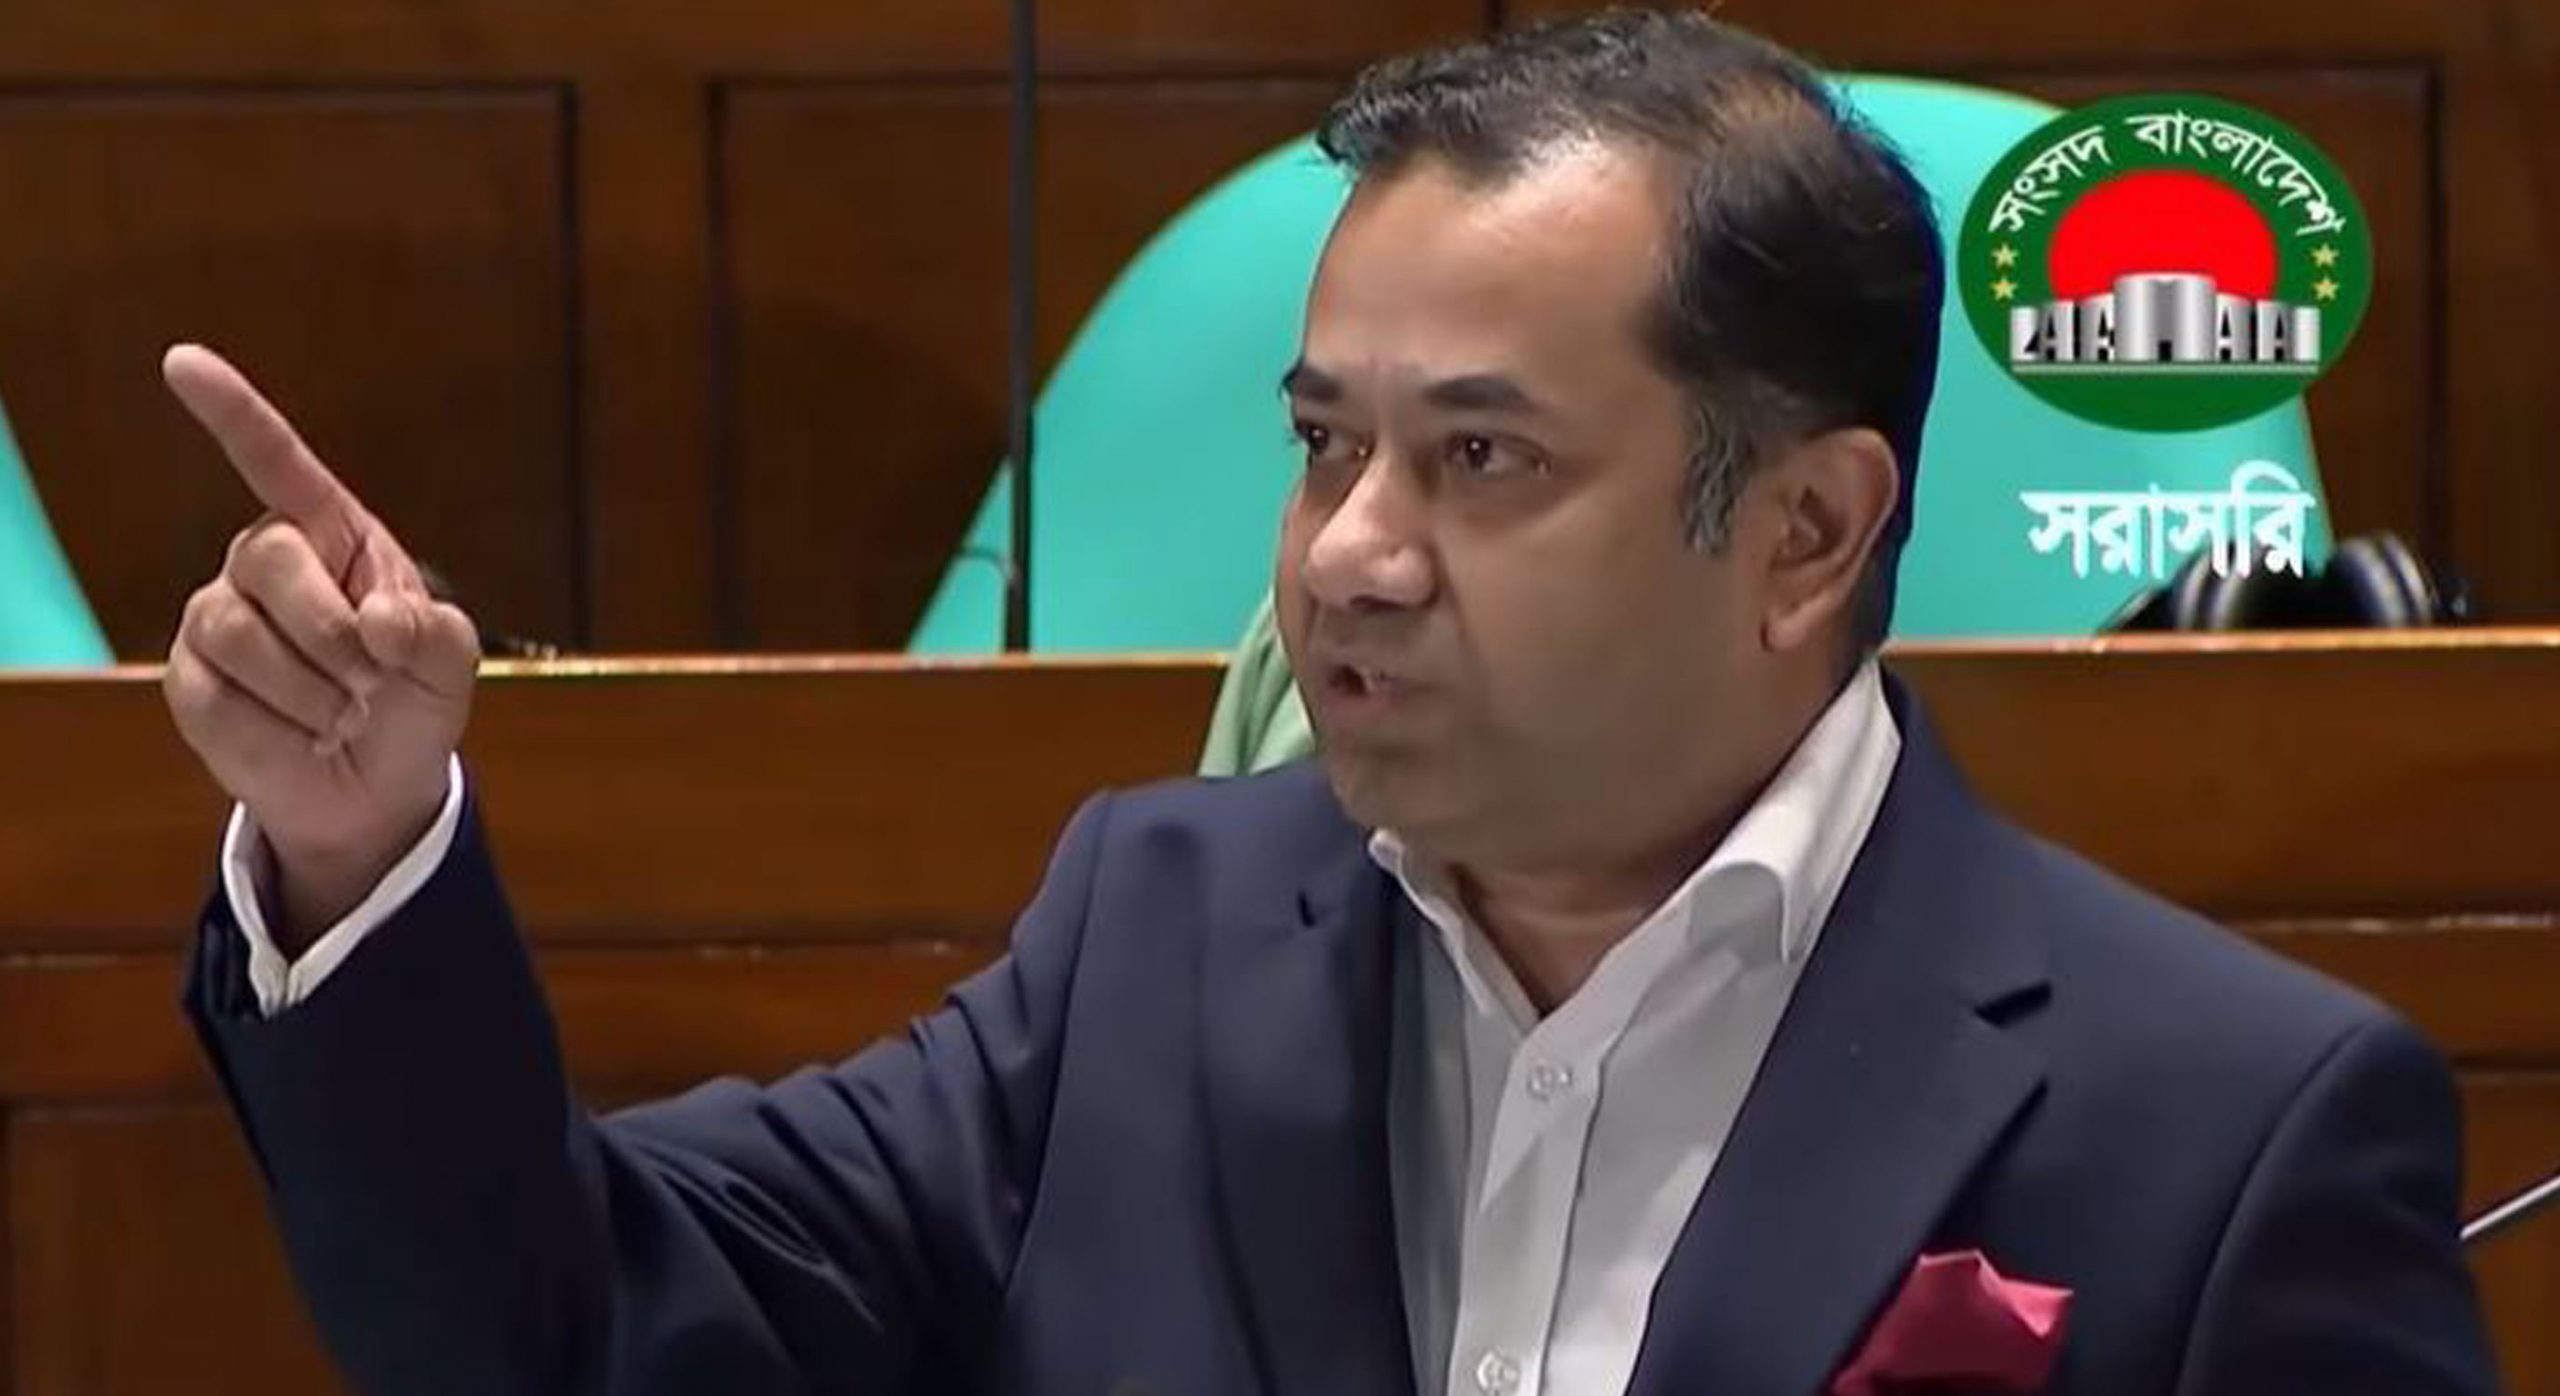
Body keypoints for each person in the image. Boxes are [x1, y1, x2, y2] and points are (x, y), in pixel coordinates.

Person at [165, 10, 2498, 1395]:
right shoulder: (1153, 944)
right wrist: (361, 841)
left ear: (1801, 531)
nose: (1344, 553)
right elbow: (558, 1322)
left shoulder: (2227, 1131)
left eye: (1476, 459)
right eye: (1321, 445)